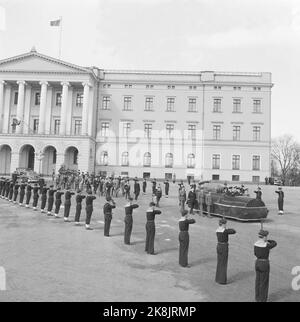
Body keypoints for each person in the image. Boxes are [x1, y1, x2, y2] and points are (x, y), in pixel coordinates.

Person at [254, 229, 277, 302]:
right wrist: (268, 240)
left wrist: (265, 240)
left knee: (258, 281)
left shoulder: (256, 244)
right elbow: (274, 243)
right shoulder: (266, 245)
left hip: (257, 262)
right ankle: (262, 299)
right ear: (264, 237)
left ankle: (257, 297)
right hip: (264, 264)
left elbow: (255, 253)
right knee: (264, 282)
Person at [215, 218, 236, 285]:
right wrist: (228, 229)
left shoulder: (218, 230)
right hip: (224, 247)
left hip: (219, 246)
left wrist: (227, 229)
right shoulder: (225, 231)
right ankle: (222, 280)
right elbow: (233, 231)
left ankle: (218, 278)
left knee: (219, 262)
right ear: (223, 224)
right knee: (224, 263)